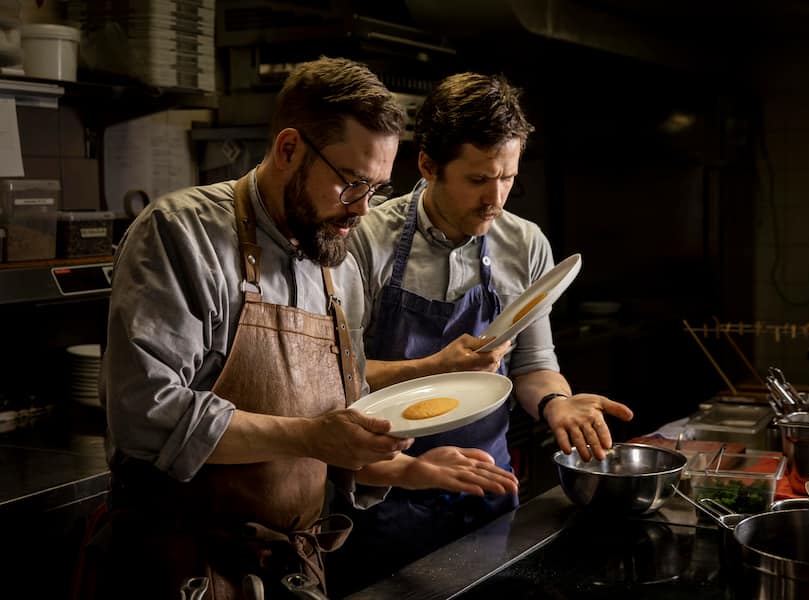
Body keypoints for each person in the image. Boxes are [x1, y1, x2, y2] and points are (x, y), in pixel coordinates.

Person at [75, 57, 517, 600]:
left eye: (376, 189)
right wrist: (311, 435)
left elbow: (338, 432)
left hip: (293, 574)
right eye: (352, 183)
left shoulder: (339, 266)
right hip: (177, 568)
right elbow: (145, 413)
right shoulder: (181, 233)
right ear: (289, 150)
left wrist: (405, 468)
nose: (361, 210)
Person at [327, 72, 635, 596]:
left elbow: (533, 364)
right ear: (427, 166)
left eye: (508, 178)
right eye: (478, 180)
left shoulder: (525, 244)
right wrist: (431, 369)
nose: (496, 199)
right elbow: (336, 377)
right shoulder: (363, 243)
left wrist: (557, 403)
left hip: (486, 487)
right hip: (382, 490)